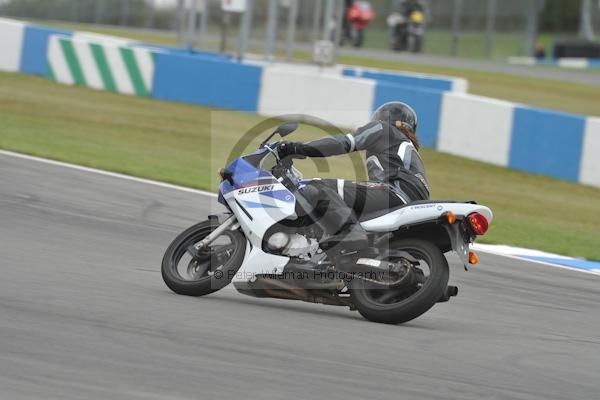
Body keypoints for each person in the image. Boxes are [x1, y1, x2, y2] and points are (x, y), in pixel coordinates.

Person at [278, 102, 430, 266]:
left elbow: (344, 143)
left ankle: (351, 234)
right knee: (345, 203)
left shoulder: (383, 130)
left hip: (395, 192)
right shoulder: (405, 146)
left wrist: (296, 148)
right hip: (411, 201)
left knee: (318, 187)